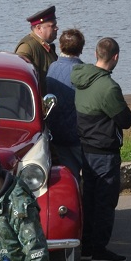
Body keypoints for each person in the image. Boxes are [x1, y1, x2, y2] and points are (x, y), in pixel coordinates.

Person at [71, 37, 131, 261]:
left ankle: (87, 247)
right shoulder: (108, 87)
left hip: (86, 147)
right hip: (104, 150)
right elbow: (125, 120)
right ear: (115, 57)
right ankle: (99, 250)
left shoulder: (81, 79)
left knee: (89, 199)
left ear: (96, 54)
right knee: (105, 201)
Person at [43, 28, 86, 178]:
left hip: (57, 132)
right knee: (88, 173)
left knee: (70, 173)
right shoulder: (82, 70)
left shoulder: (53, 67)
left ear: (61, 47)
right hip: (76, 132)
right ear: (81, 48)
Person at [15, 7, 57, 83]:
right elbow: (19, 72)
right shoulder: (27, 46)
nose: (56, 28)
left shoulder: (44, 45)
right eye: (52, 26)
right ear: (39, 28)